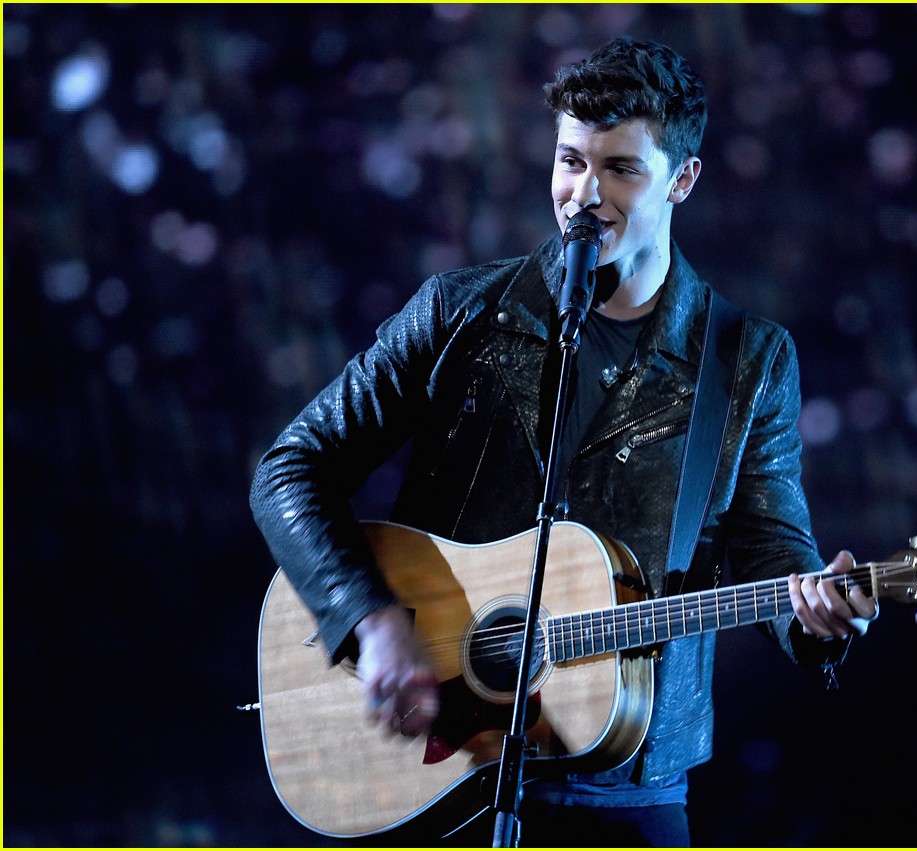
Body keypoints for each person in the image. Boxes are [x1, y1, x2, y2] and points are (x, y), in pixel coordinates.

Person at [250, 36, 878, 847]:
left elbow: (771, 549)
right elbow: (290, 468)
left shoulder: (747, 360)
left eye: (621, 168)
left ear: (683, 180)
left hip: (627, 789)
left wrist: (815, 613)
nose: (585, 193)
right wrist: (370, 621)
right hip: (440, 763)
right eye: (571, 161)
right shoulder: (459, 312)